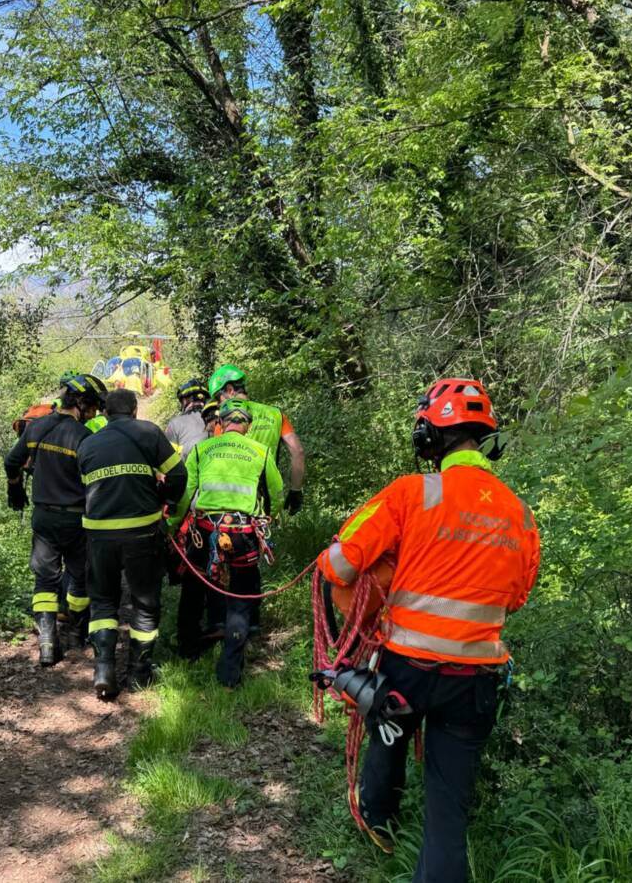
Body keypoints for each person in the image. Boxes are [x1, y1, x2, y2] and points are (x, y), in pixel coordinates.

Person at [316, 379, 540, 882]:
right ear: (484, 440)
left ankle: (378, 817)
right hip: (475, 679)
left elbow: (337, 566)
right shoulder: (519, 513)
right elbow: (517, 597)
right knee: (448, 811)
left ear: (428, 437)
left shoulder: (411, 493)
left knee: (388, 734)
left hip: (407, 668)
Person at [77, 389, 187, 700]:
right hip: (142, 531)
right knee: (145, 602)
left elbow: (80, 488)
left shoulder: (87, 443)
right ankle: (139, 673)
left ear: (105, 414)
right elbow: (178, 474)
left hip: (98, 535)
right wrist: (166, 501)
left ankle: (103, 670)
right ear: (135, 410)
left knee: (102, 601)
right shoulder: (149, 433)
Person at [169, 400, 283, 687]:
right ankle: (230, 671)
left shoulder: (203, 449)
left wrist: (172, 526)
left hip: (205, 530)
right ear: (247, 425)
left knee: (194, 587)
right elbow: (277, 491)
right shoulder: (261, 450)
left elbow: (185, 495)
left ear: (221, 423)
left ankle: (187, 649)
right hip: (243, 533)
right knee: (242, 595)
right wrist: (271, 516)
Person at [4, 373, 107, 666]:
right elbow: (94, 482)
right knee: (81, 578)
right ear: (81, 402)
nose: (94, 414)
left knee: (44, 581)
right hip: (76, 521)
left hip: (44, 519)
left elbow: (12, 461)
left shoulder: (35, 428)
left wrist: (14, 487)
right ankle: (78, 634)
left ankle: (48, 645)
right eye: (93, 408)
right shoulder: (84, 437)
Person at [206, 364, 305, 515]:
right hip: (265, 499)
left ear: (230, 390)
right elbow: (297, 451)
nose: (218, 405)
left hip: (231, 501)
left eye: (218, 399)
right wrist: (295, 491)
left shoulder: (224, 421)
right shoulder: (276, 415)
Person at [164, 378, 210, 459]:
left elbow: (168, 457)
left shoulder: (175, 423)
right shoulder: (217, 419)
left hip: (187, 470)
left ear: (185, 400)